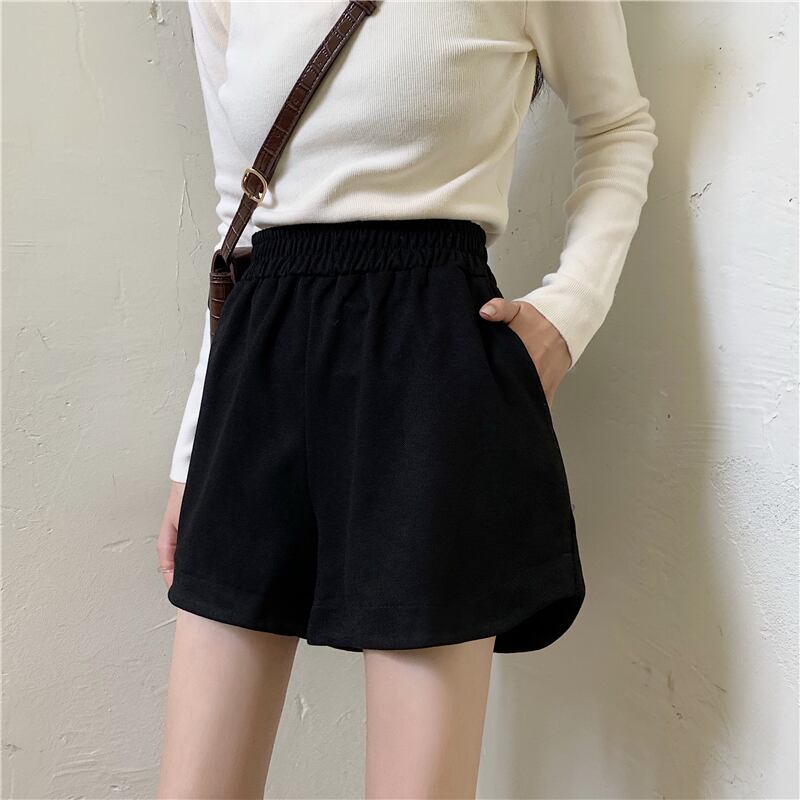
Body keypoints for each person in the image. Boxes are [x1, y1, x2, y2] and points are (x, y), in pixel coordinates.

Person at [156, 1, 657, 797]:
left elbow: (618, 125)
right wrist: (194, 451)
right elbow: (236, 217)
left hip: (427, 369)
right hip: (258, 362)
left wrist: (569, 315)